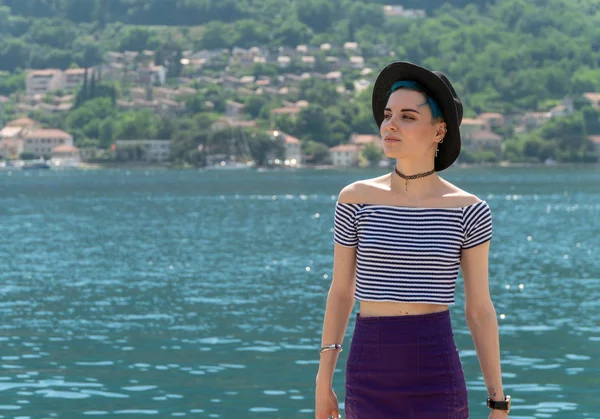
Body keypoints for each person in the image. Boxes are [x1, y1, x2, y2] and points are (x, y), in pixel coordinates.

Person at [315, 62, 510, 419]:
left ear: (439, 131)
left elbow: (479, 308)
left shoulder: (469, 210)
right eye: (388, 115)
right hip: (368, 370)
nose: (390, 124)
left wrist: (498, 401)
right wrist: (322, 379)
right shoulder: (354, 199)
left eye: (407, 116)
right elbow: (341, 291)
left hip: (435, 369)